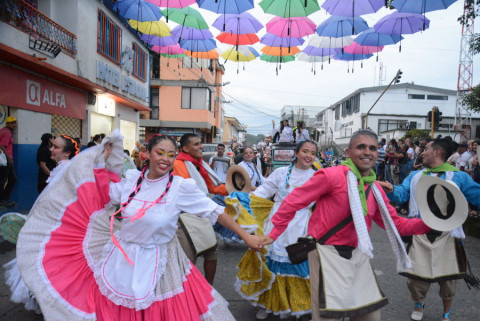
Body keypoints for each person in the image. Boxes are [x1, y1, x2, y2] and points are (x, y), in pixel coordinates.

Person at [12, 132, 264, 321]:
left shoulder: (180, 188)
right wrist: (102, 161)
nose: (165, 159)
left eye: (170, 154)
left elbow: (217, 212)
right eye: (159, 153)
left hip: (162, 263)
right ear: (147, 154)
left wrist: (246, 237)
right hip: (120, 259)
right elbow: (102, 195)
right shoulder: (131, 182)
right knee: (116, 310)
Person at [262, 129, 430, 321]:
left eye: (373, 148)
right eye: (361, 147)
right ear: (348, 152)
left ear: (377, 154)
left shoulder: (374, 189)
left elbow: (397, 225)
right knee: (328, 317)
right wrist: (274, 234)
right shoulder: (330, 175)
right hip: (326, 254)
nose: (367, 152)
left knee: (370, 316)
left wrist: (430, 224)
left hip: (358, 255)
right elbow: (293, 202)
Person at [380, 137, 480, 321]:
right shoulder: (415, 176)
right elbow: (401, 193)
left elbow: (477, 196)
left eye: (426, 149)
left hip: (448, 234)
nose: (422, 152)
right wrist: (390, 189)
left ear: (437, 152)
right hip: (420, 232)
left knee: (448, 278)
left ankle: (446, 311)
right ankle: (419, 303)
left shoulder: (459, 177)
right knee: (415, 277)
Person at [236, 140, 318, 320]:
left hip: (303, 225)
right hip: (277, 223)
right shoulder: (281, 173)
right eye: (305, 151)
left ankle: (299, 303)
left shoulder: (318, 176)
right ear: (296, 153)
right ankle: (267, 303)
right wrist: (242, 200)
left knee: (299, 264)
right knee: (271, 263)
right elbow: (264, 191)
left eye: (312, 153)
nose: (308, 155)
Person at [173, 133, 227, 284]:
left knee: (211, 254)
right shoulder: (177, 164)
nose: (201, 146)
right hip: (184, 218)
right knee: (188, 259)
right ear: (185, 148)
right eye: (196, 144)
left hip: (202, 215)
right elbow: (185, 195)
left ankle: (207, 288)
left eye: (200, 143)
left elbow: (213, 187)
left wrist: (234, 189)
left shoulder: (201, 164)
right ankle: (187, 291)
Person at [0, 116, 17, 207]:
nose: (14, 125)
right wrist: (9, 158)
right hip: (6, 159)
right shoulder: (7, 133)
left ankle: (4, 198)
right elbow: (2, 146)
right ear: (7, 124)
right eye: (11, 123)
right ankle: (2, 199)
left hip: (5, 159)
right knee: (3, 180)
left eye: (14, 123)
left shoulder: (3, 131)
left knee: (12, 179)